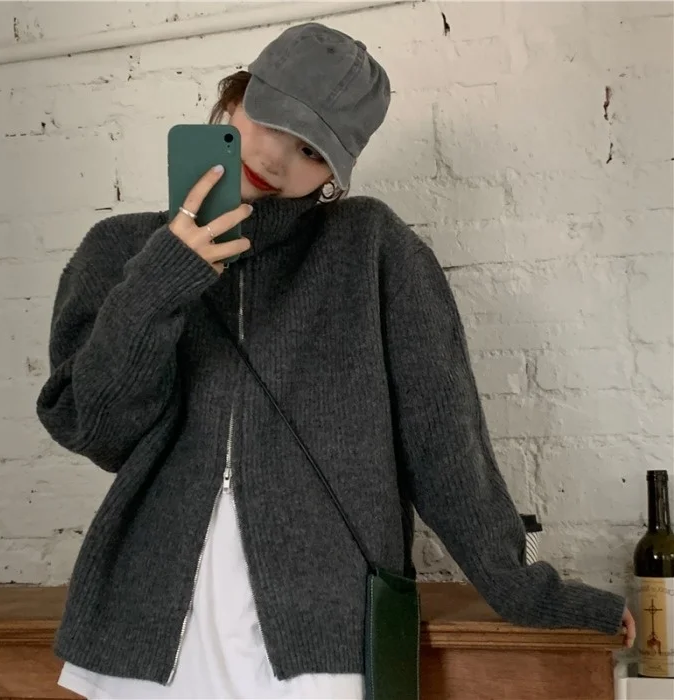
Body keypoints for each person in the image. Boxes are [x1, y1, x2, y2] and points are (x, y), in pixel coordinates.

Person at [36, 22, 635, 700]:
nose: (278, 158)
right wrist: (164, 277)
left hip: (321, 638)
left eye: (311, 150)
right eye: (271, 121)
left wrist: (528, 591)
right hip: (145, 637)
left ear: (334, 174)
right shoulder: (120, 249)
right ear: (234, 98)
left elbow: (444, 444)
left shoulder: (371, 249)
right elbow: (97, 429)